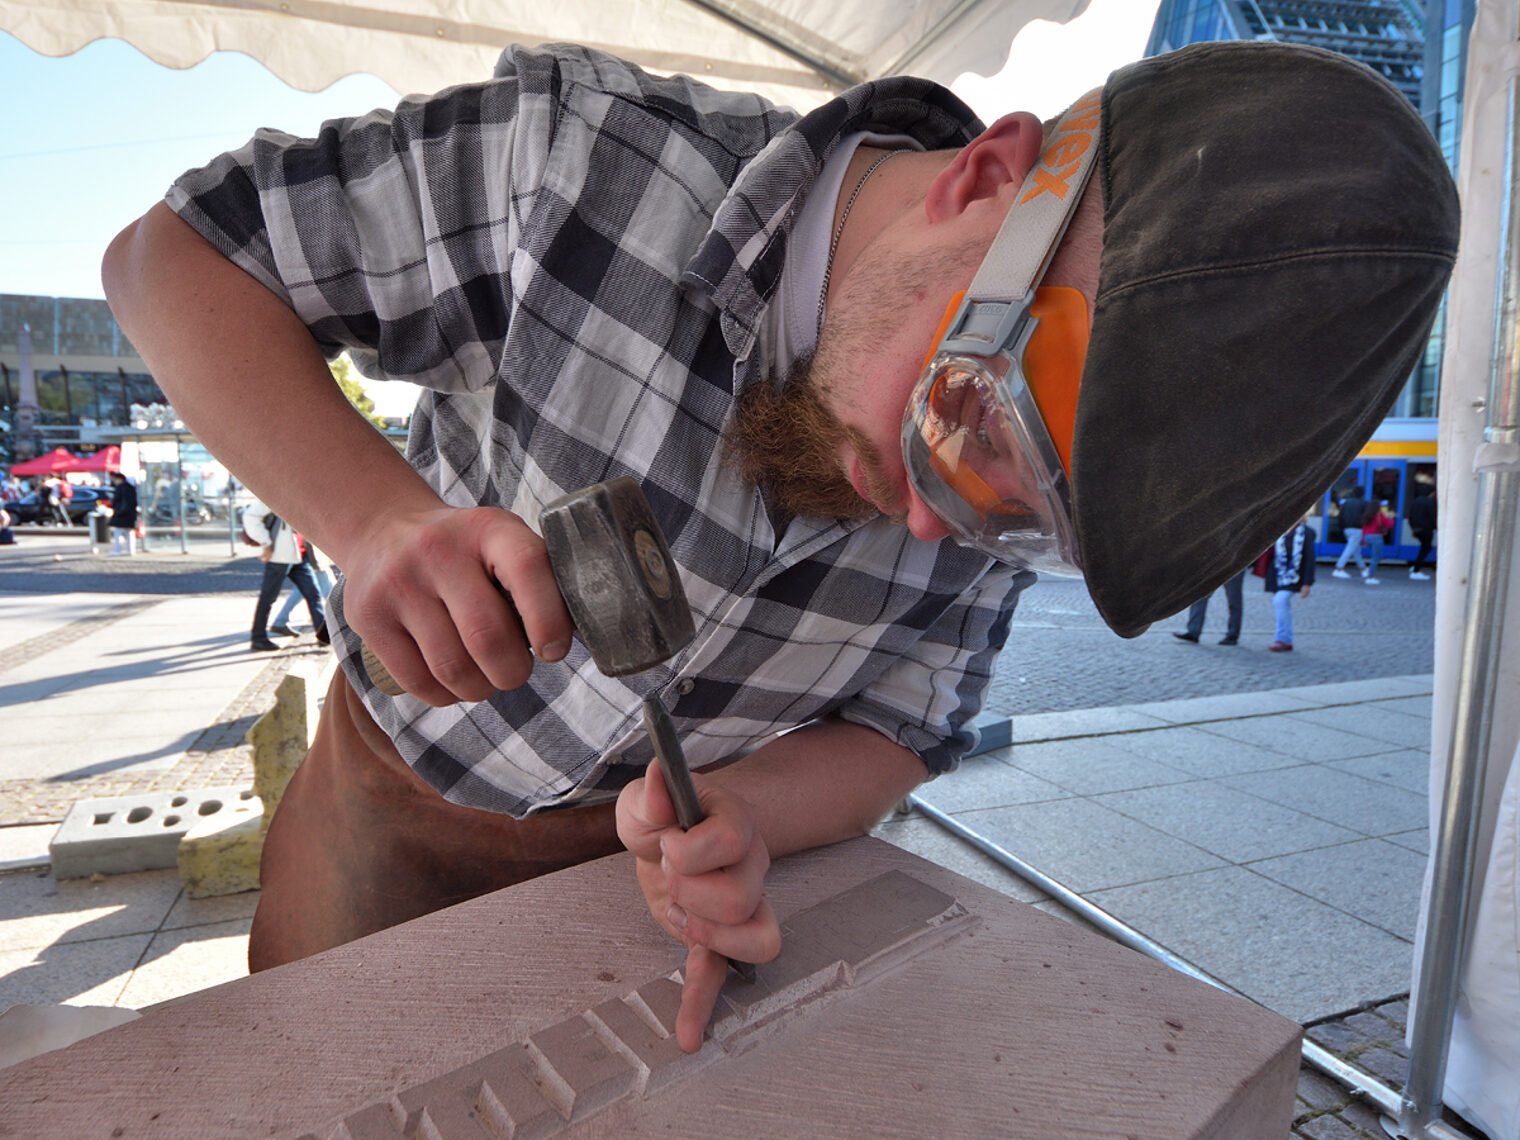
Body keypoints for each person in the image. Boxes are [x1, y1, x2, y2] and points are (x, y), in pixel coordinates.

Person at [100, 40, 1458, 1050]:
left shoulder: (966, 499)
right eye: (972, 406)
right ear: (988, 176)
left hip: (629, 887)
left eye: (1024, 523)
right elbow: (174, 260)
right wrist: (369, 512)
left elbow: (904, 731)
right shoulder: (581, 167)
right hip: (389, 797)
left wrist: (751, 815)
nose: (939, 515)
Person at [242, 500, 327, 651]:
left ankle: (323, 638)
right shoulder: (275, 493)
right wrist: (265, 542)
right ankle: (258, 638)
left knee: (313, 594)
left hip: (299, 556)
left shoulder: (298, 495)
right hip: (279, 557)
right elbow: (250, 515)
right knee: (268, 598)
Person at [1264, 518, 1316, 652]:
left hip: (1295, 576)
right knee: (1281, 604)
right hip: (1278, 575)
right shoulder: (1278, 529)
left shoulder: (1306, 532)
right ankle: (1287, 640)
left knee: (1279, 601)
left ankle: (1282, 639)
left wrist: (1307, 583)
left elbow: (1310, 558)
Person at [270, 542, 334, 636]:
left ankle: (280, 622)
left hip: (309, 552)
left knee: (302, 590)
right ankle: (343, 621)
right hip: (312, 553)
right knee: (329, 589)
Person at [1173, 567, 1246, 646]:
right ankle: (1193, 632)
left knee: (1234, 601)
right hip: (1214, 567)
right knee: (1199, 597)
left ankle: (1232, 635)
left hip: (1234, 567)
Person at [1332, 485, 1368, 578]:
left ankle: (1363, 568)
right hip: (1357, 528)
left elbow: (1340, 515)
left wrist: (1342, 527)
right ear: (1362, 494)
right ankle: (1339, 568)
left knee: (1355, 549)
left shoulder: (1346, 502)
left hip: (1346, 528)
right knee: (1351, 548)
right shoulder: (1364, 503)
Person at [1361, 499, 1394, 584]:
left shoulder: (1366, 515)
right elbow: (1388, 525)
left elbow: (1364, 529)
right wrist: (1391, 518)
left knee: (1374, 557)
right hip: (1376, 537)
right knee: (1376, 558)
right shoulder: (1380, 515)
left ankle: (1368, 571)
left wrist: (1363, 541)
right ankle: (1370, 577)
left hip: (1367, 537)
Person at [107, 471, 139, 556]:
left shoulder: (120, 488)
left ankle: (117, 550)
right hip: (131, 514)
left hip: (121, 514)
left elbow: (117, 501)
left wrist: (116, 510)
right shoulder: (131, 488)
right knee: (130, 533)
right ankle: (131, 550)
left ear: (119, 479)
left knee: (118, 533)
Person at [1409, 488, 1437, 579]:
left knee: (1424, 547)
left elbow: (1411, 515)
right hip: (1426, 528)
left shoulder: (1416, 501)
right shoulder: (1430, 502)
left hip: (1417, 528)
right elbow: (1433, 515)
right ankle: (1416, 570)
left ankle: (1416, 566)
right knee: (1426, 548)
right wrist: (1437, 527)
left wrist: (1413, 528)